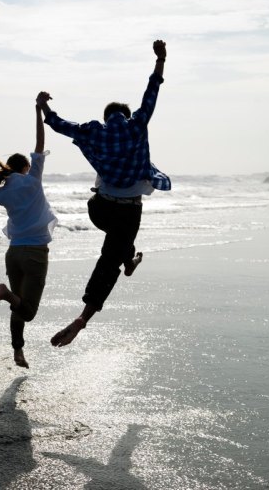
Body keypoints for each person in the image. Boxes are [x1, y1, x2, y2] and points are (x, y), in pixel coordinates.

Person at [38, 39, 171, 347]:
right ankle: (83, 318)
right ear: (125, 115)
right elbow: (152, 93)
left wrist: (44, 106)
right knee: (109, 259)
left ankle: (129, 260)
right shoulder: (137, 125)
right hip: (127, 212)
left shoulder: (94, 131)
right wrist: (160, 60)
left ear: (107, 115)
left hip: (97, 210)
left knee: (118, 243)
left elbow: (60, 125)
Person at [0, 98, 57, 368]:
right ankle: (4, 294)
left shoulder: (2, 191)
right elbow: (40, 143)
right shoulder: (33, 180)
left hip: (14, 253)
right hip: (35, 254)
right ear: (26, 168)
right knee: (27, 310)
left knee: (17, 303)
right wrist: (38, 110)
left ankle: (18, 352)